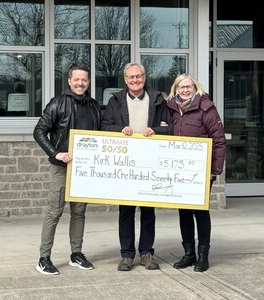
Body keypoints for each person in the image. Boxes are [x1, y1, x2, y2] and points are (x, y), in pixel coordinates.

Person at [101, 62, 171, 271]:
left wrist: (157, 130)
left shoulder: (158, 99)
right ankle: (127, 255)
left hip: (150, 161)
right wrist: (120, 130)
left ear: (145, 77)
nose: (135, 80)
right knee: (126, 211)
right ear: (125, 80)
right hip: (126, 164)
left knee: (148, 210)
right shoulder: (116, 101)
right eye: (131, 77)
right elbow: (105, 126)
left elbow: (171, 127)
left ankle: (147, 253)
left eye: (138, 76)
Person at [33, 62, 102, 275]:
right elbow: (39, 131)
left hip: (83, 169)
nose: (80, 83)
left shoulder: (93, 105)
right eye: (76, 79)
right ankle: (44, 258)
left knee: (79, 212)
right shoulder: (57, 104)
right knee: (54, 212)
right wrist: (55, 153)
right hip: (62, 167)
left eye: (84, 79)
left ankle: (76, 254)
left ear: (88, 82)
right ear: (69, 81)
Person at [166, 73, 226, 272]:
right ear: (176, 89)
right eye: (181, 87)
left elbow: (218, 140)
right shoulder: (171, 109)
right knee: (183, 212)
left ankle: (203, 256)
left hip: (201, 171)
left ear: (195, 88)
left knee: (200, 211)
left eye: (188, 87)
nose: (185, 90)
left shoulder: (206, 108)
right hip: (178, 171)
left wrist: (214, 170)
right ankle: (189, 253)